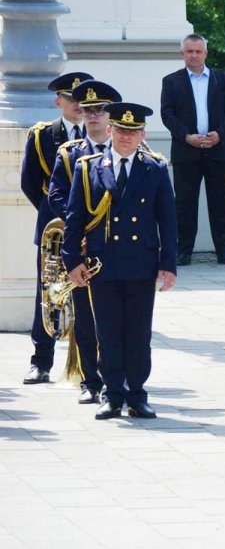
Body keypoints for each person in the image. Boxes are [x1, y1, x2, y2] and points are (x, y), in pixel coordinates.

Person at [63, 102, 178, 420]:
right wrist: (72, 260)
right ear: (109, 130)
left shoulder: (154, 168)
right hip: (103, 265)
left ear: (142, 134)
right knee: (108, 332)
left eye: (133, 131)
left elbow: (167, 220)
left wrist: (168, 264)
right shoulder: (88, 168)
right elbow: (75, 219)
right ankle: (112, 395)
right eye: (121, 130)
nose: (126, 137)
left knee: (139, 333)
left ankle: (137, 394)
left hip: (141, 265)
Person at [45, 79, 122, 405]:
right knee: (88, 321)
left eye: (100, 110)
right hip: (87, 249)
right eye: (88, 110)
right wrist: (79, 222)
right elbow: (57, 195)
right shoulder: (69, 154)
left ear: (111, 115)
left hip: (120, 248)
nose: (93, 116)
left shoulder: (130, 151)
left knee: (120, 319)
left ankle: (117, 380)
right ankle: (91, 381)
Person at [19, 70, 92, 386]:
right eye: (70, 99)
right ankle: (41, 361)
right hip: (56, 229)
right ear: (57, 101)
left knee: (91, 298)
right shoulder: (42, 135)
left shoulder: (101, 134)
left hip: (93, 229)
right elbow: (31, 184)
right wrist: (58, 216)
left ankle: (92, 366)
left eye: (82, 99)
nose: (77, 104)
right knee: (49, 294)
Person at [160, 33, 225, 266]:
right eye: (189, 51)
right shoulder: (171, 82)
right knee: (184, 203)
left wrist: (219, 135)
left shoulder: (224, 80)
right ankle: (183, 252)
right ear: (182, 54)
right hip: (186, 151)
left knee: (222, 203)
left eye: (198, 51)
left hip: (219, 151)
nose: (193, 55)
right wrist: (187, 136)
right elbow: (167, 114)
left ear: (206, 53)